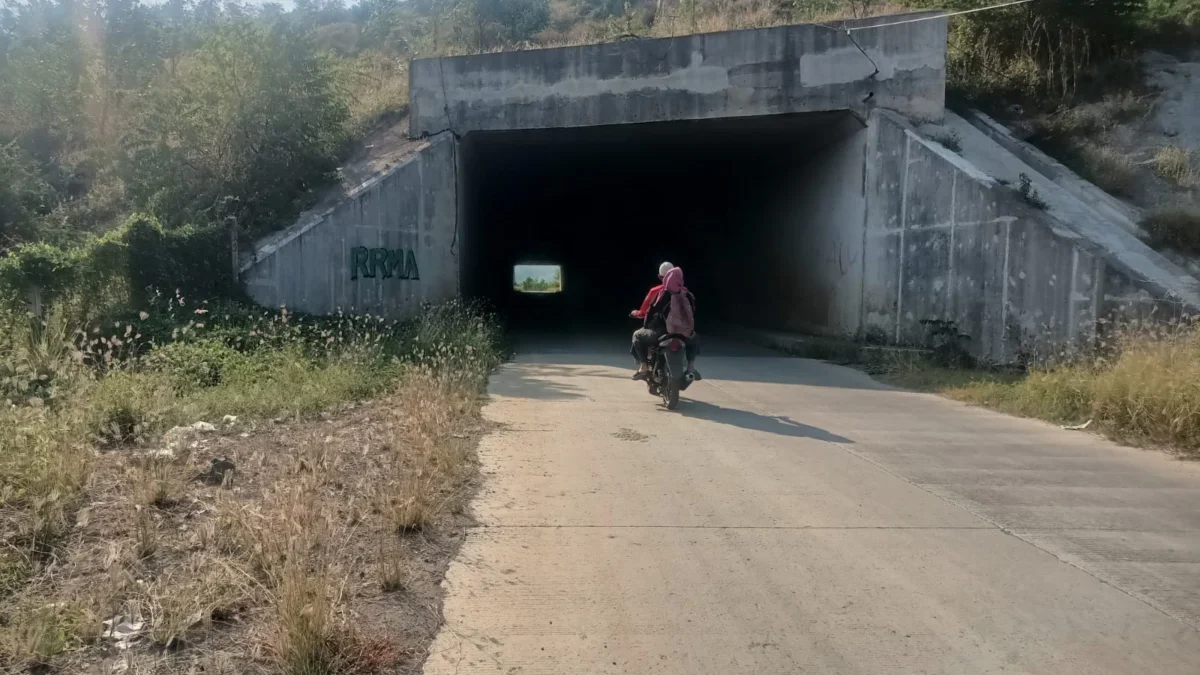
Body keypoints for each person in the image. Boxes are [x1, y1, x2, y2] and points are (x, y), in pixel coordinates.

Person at [631, 266, 699, 380]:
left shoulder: (660, 293)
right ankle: (691, 367)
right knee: (695, 338)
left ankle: (643, 366)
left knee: (637, 335)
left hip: (662, 334)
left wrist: (647, 326)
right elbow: (692, 313)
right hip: (684, 335)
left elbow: (650, 312)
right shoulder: (687, 294)